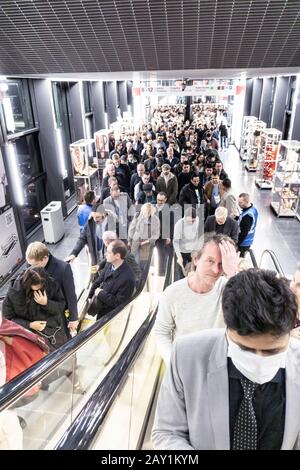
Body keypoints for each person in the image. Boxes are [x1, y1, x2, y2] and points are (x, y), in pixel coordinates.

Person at [152, 268, 300, 450]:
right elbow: (167, 432)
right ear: (227, 328)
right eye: (246, 349)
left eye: (272, 351)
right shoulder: (187, 354)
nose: (259, 361)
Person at [153, 233, 239, 364]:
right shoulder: (172, 293)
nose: (216, 270)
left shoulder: (230, 289)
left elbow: (249, 319)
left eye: (221, 264)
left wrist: (233, 273)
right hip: (183, 362)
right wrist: (173, 364)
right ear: (196, 259)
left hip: (218, 365)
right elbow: (161, 332)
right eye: (210, 261)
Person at [2, 267, 68, 351]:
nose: (39, 289)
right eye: (36, 287)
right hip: (32, 340)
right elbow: (8, 320)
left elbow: (61, 307)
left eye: (42, 287)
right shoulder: (14, 294)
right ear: (28, 284)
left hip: (56, 334)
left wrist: (46, 303)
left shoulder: (51, 283)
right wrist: (30, 325)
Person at [26, 242, 78, 337]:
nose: (32, 268)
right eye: (31, 265)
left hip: (59, 313)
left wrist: (73, 318)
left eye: (35, 264)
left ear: (45, 258)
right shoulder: (33, 265)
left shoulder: (63, 268)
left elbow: (71, 295)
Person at [87, 240, 135, 320]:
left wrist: (101, 293)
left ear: (117, 256)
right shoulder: (110, 264)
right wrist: (90, 297)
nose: (105, 254)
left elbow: (119, 303)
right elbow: (99, 280)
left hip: (112, 318)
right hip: (102, 311)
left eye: (108, 253)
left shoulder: (128, 278)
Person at [238, 193, 258, 257]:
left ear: (247, 202)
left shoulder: (247, 217)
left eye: (241, 203)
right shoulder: (253, 209)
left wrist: (237, 244)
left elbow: (244, 233)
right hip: (248, 240)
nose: (239, 204)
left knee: (240, 261)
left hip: (243, 243)